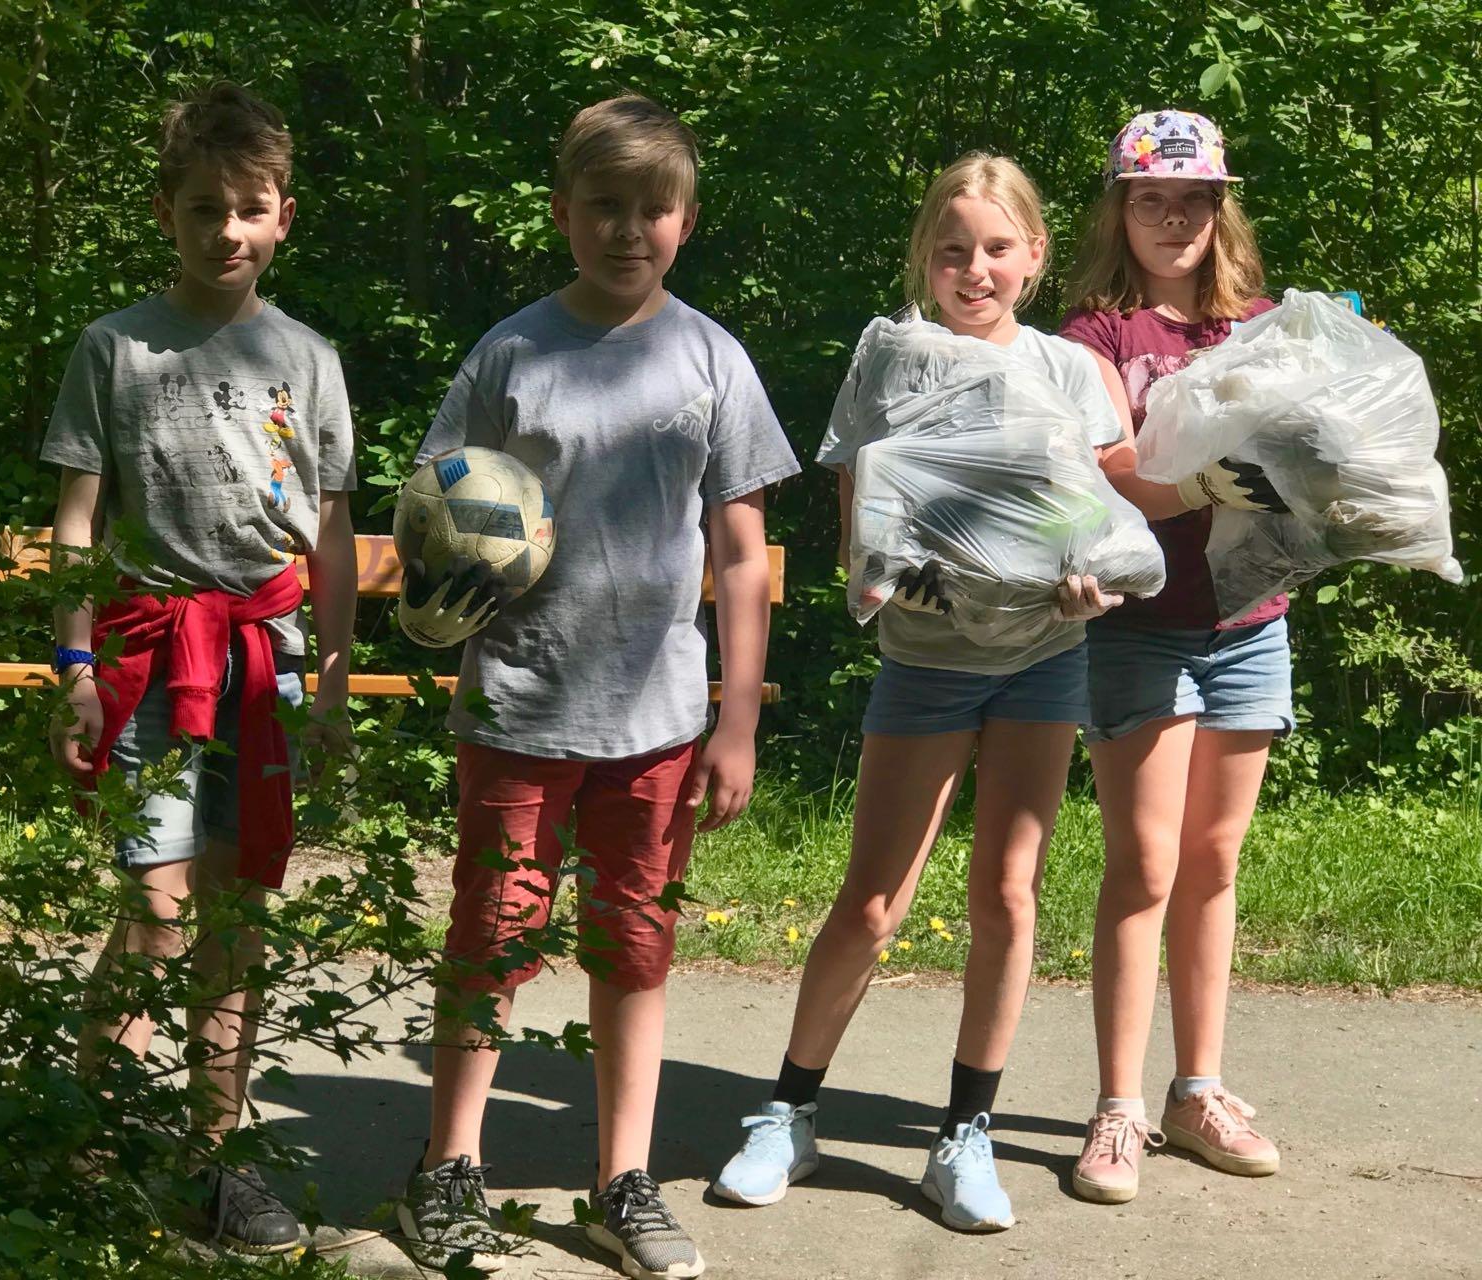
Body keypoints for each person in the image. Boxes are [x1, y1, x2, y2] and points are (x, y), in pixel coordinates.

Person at [395, 94, 799, 1280]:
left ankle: (622, 1179)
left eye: (653, 209)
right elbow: (439, 504)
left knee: (633, 943)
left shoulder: (710, 357)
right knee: (491, 935)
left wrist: (735, 718)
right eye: (605, 207)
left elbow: (737, 553)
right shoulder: (512, 354)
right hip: (520, 703)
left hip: (662, 717)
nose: (629, 230)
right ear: (564, 213)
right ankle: (449, 1170)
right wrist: (439, 573)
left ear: (686, 219)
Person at [713, 153, 1126, 1232]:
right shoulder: (890, 355)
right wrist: (882, 567)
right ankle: (787, 1111)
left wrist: (1092, 583)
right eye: (952, 249)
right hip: (927, 660)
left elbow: (1097, 516)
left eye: (996, 247)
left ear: (1035, 256)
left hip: (1046, 657)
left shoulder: (1074, 371)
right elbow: (865, 499)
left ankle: (965, 1133)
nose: (972, 268)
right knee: (872, 899)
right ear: (925, 258)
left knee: (1007, 895)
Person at [42, 81, 358, 1253]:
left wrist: (325, 687)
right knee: (155, 910)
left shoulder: (309, 359)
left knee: (235, 912)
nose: (226, 229)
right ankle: (94, 1146)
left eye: (249, 208)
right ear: (166, 213)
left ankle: (214, 1157)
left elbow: (329, 538)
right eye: (204, 207)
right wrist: (71, 663)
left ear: (283, 216)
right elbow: (77, 521)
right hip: (147, 659)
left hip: (263, 666)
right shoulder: (114, 348)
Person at [1060, 108, 1289, 1205]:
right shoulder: (1096, 335)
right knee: (1143, 866)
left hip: (1250, 623)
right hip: (1137, 629)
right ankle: (1117, 1109)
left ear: (1217, 207)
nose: (1172, 217)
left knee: (1213, 862)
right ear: (1121, 209)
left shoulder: (1263, 324)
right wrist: (1198, 483)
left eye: (1192, 198)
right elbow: (1108, 465)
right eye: (1150, 198)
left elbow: (1317, 442)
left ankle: (1198, 1089)